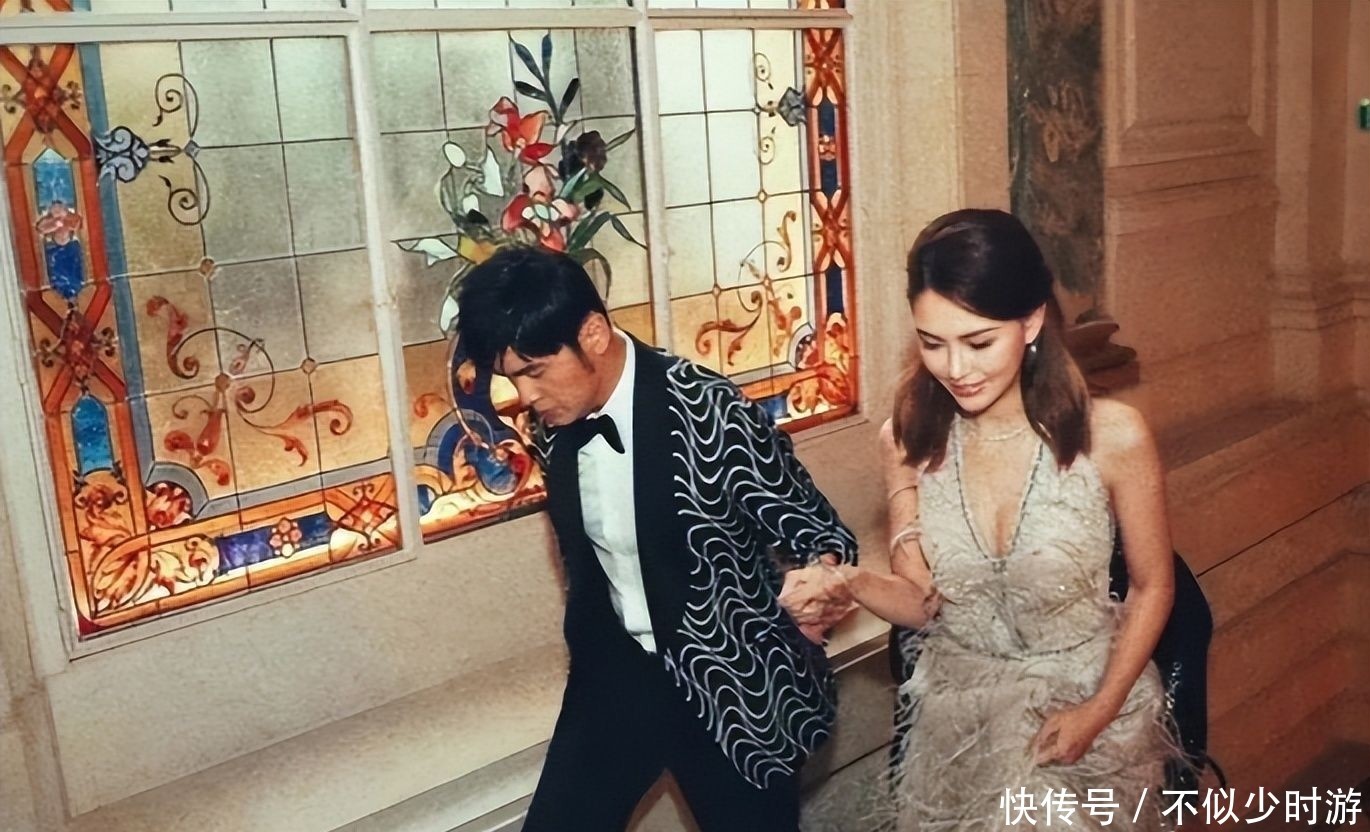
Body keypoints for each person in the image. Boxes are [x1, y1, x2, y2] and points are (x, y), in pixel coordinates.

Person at [786, 209, 1178, 830]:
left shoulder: (1112, 437)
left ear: (1031, 322)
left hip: (1083, 712)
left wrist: (1098, 711)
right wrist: (850, 582)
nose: (955, 368)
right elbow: (928, 606)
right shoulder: (908, 441)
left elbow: (1153, 586)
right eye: (932, 342)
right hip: (957, 729)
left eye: (978, 343)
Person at [454, 246, 858, 832]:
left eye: (534, 371)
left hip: (731, 689)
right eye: (512, 377)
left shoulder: (709, 409)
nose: (526, 396)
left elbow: (820, 531)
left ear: (593, 334)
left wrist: (818, 580)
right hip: (613, 680)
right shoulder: (552, 426)